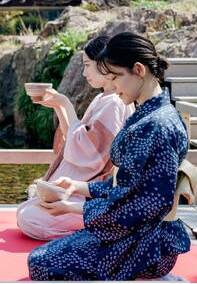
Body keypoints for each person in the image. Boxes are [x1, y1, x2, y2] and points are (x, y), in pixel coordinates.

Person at [27, 31, 191, 281]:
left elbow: (144, 204)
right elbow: (127, 186)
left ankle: (144, 277)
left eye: (115, 77)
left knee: (41, 263)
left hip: (143, 245)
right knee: (41, 257)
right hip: (135, 232)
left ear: (138, 69)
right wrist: (78, 187)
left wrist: (71, 208)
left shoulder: (154, 125)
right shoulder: (154, 114)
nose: (112, 86)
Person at [17, 35, 134, 241]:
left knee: (29, 218)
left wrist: (67, 105)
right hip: (82, 186)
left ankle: (94, 231)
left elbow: (87, 152)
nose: (84, 72)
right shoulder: (102, 98)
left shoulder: (115, 103)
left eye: (88, 65)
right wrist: (59, 107)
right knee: (24, 210)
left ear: (105, 64)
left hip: (94, 189)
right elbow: (75, 139)